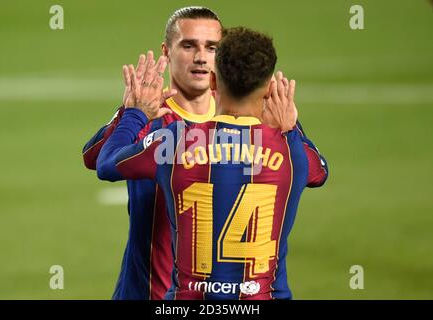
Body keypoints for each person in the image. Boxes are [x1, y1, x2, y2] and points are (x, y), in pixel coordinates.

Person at [96, 27, 328, 300]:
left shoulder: (175, 142)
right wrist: (291, 127)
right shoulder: (291, 151)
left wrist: (135, 114)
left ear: (213, 82)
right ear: (268, 88)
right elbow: (320, 173)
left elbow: (107, 163)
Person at [82, 7, 222, 299]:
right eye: (188, 45)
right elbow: (93, 158)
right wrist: (130, 113)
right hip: (147, 293)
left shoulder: (236, 117)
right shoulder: (151, 115)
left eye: (211, 47)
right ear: (166, 51)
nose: (200, 57)